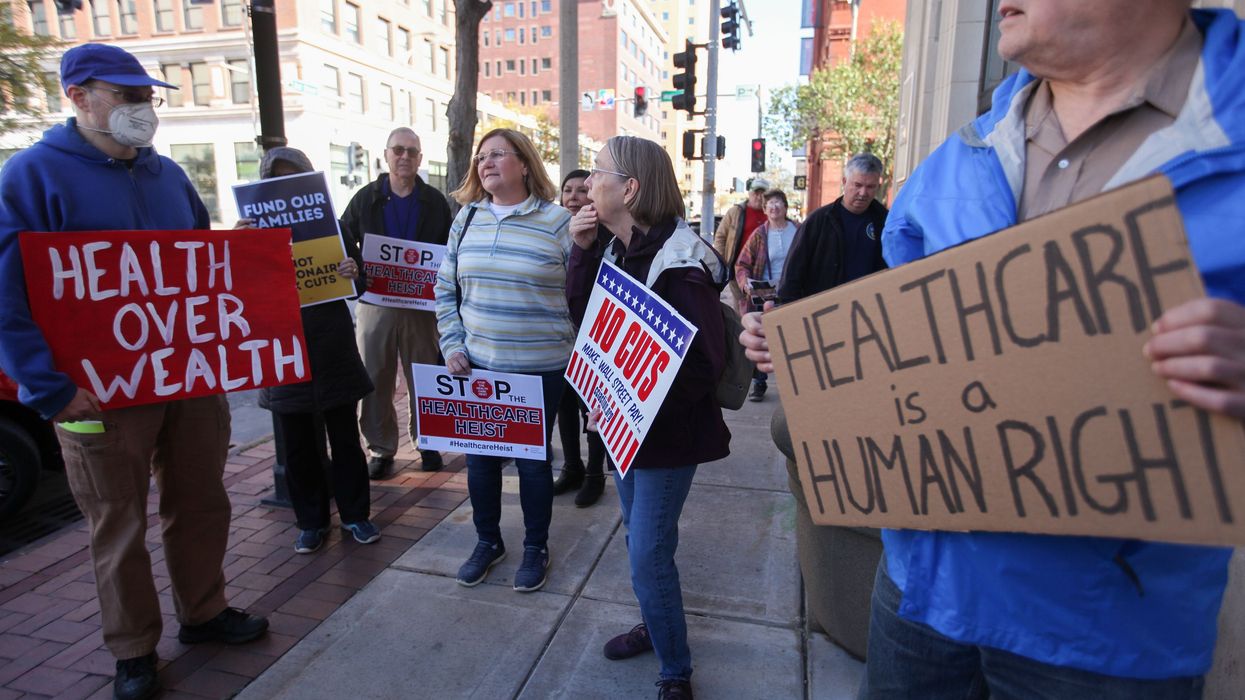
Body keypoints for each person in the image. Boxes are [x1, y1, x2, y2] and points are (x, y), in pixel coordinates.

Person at [742, 3, 1245, 696]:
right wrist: (803, 353)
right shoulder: (962, 153)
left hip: (1103, 642)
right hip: (919, 590)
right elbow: (896, 336)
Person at [0, 44, 267, 700]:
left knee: (202, 500)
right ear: (78, 97)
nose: (140, 108)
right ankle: (133, 649)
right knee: (117, 520)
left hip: (188, 381)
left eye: (146, 95)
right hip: (96, 395)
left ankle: (203, 611)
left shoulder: (171, 177)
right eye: (124, 95)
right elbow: (6, 296)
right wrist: (49, 388)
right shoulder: (29, 178)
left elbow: (203, 273)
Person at [567, 136, 732, 700]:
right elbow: (588, 324)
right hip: (628, 434)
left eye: (598, 173)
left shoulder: (679, 264)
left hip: (665, 440)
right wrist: (583, 250)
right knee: (643, 543)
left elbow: (702, 366)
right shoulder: (618, 249)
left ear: (630, 188)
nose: (588, 183)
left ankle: (675, 672)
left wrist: (628, 405)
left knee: (648, 555)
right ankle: (657, 624)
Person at [434, 128, 573, 593]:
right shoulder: (466, 219)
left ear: (525, 164)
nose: (485, 163)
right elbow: (445, 289)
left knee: (533, 463)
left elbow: (585, 294)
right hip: (478, 367)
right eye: (481, 157)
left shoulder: (558, 222)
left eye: (497, 155)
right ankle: (488, 541)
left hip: (540, 366)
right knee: (480, 461)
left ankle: (536, 547)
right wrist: (453, 345)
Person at [244, 147, 380, 554]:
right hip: (283, 350)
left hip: (331, 348)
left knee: (345, 442)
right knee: (300, 447)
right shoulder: (252, 232)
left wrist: (353, 273)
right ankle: (310, 522)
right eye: (277, 180)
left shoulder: (332, 226)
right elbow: (239, 290)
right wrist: (242, 248)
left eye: (294, 179)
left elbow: (360, 285)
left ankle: (356, 515)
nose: (286, 188)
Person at [340, 127, 452, 480]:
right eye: (398, 150)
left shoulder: (435, 201)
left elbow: (449, 251)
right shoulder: (366, 197)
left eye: (412, 152)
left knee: (424, 375)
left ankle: (428, 441)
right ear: (386, 155)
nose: (404, 157)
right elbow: (343, 238)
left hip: (421, 305)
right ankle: (381, 447)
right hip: (376, 302)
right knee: (376, 375)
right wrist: (354, 269)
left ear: (420, 159)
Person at [551, 169, 609, 506]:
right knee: (565, 404)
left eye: (580, 190)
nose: (573, 196)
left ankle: (594, 474)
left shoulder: (603, 237)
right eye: (567, 190)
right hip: (557, 334)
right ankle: (571, 467)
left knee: (593, 407)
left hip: (592, 336)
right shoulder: (552, 229)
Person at [774, 153, 888, 305]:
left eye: (870, 187)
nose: (863, 193)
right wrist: (787, 310)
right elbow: (793, 272)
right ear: (844, 181)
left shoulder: (885, 222)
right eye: (858, 185)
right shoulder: (819, 221)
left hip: (869, 308)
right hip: (825, 310)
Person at [733, 188, 795, 402]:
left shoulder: (798, 230)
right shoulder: (760, 234)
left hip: (791, 293)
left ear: (785, 207)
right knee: (762, 337)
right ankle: (759, 383)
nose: (774, 207)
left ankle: (795, 384)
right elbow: (742, 264)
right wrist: (746, 284)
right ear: (765, 210)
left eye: (778, 203)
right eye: (770, 204)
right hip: (765, 293)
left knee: (791, 338)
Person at [712, 177, 770, 286]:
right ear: (749, 193)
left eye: (763, 194)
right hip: (737, 270)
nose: (759, 197)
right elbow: (720, 236)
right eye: (756, 193)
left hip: (764, 271)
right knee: (740, 302)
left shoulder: (771, 214)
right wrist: (723, 260)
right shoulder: (735, 212)